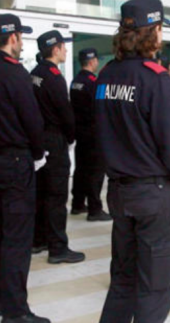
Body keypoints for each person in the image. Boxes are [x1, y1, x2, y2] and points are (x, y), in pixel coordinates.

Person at [95, 0, 170, 323]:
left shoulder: (106, 76)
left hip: (120, 192)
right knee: (155, 286)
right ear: (154, 31)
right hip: (153, 193)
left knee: (123, 279)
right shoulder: (155, 77)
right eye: (161, 28)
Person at [0, 13, 50, 323]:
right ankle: (16, 311)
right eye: (20, 37)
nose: (21, 43)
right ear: (13, 38)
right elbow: (32, 120)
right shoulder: (14, 73)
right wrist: (38, 152)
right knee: (17, 238)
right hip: (17, 161)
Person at [31, 30, 86, 264]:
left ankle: (39, 239)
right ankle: (58, 248)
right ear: (55, 49)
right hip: (54, 140)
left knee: (42, 193)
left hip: (38, 139)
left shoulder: (34, 73)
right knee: (56, 196)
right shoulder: (53, 77)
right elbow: (65, 113)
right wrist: (71, 137)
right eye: (63, 47)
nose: (65, 51)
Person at [69, 48, 111, 221]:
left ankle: (78, 204)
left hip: (80, 131)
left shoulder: (75, 81)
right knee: (95, 172)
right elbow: (99, 109)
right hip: (94, 132)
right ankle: (95, 209)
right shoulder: (93, 82)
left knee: (81, 169)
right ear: (92, 61)